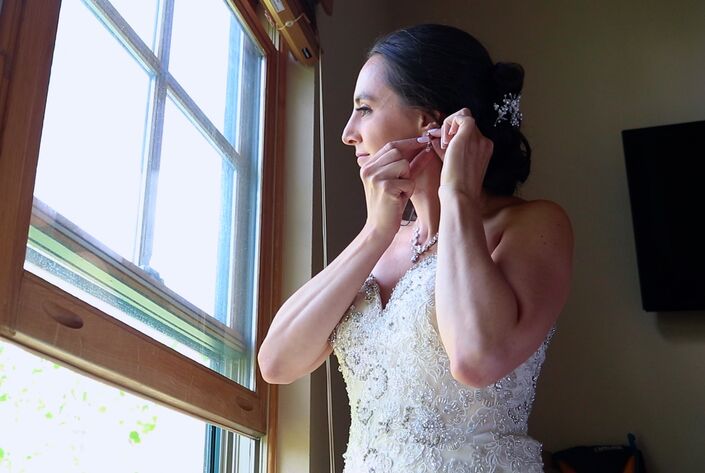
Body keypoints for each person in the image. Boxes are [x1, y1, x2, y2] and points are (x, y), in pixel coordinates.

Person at [258, 24, 573, 473]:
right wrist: (375, 233)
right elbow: (276, 363)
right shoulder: (383, 241)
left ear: (429, 122)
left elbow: (475, 358)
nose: (348, 133)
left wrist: (457, 195)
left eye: (364, 109)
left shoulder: (533, 225)